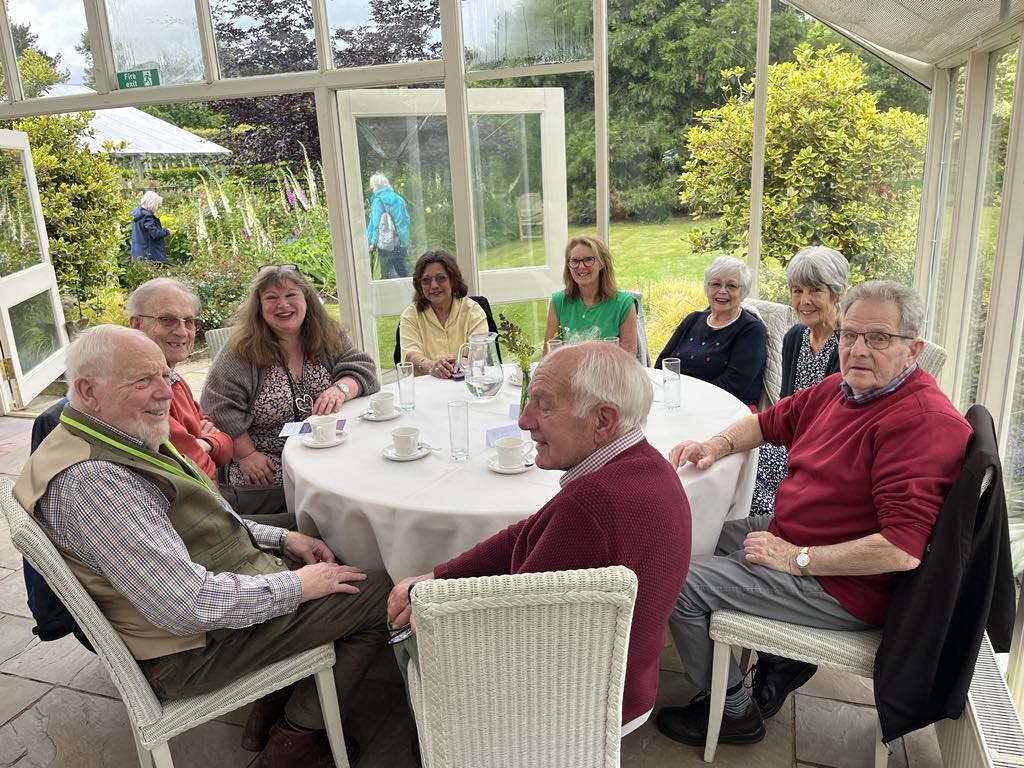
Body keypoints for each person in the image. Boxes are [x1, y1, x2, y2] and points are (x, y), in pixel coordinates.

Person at [13, 325, 391, 766]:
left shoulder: (111, 436)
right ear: (87, 391)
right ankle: (296, 738)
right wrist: (302, 586)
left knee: (323, 535)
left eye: (166, 377)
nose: (165, 394)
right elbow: (186, 606)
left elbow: (206, 519)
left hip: (203, 611)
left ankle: (275, 699)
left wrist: (284, 538)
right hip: (190, 651)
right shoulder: (92, 482)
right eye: (143, 381)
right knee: (381, 592)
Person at [655, 281, 972, 749]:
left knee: (675, 580)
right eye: (849, 335)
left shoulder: (920, 423)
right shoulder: (842, 390)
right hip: (795, 533)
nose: (858, 349)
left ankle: (733, 710)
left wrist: (798, 558)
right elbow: (768, 421)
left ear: (913, 350)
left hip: (843, 584)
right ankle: (746, 654)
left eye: (879, 337)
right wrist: (713, 445)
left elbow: (902, 549)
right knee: (684, 534)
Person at [387, 342, 691, 732]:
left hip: (576, 705)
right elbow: (529, 531)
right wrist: (442, 576)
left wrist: (429, 604)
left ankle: (445, 744)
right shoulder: (645, 464)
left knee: (404, 623)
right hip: (630, 680)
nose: (524, 420)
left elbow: (508, 626)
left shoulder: (591, 504)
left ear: (603, 421)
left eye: (544, 406)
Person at [127, 277, 294, 528]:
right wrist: (208, 443)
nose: (182, 331)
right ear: (136, 324)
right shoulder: (143, 390)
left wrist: (207, 442)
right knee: (312, 523)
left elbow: (220, 442)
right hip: (196, 512)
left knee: (306, 501)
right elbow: (196, 462)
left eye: (189, 321)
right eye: (167, 319)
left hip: (214, 493)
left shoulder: (174, 378)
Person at [202, 265, 379, 486]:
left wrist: (340, 389)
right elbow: (217, 406)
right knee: (331, 486)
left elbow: (364, 368)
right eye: (271, 297)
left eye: (291, 295)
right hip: (268, 457)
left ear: (306, 300)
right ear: (259, 306)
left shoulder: (327, 334)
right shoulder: (240, 349)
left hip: (329, 445)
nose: (283, 305)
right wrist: (246, 455)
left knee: (372, 469)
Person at [749, 246, 849, 515]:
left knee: (746, 481)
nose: (804, 300)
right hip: (791, 441)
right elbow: (786, 402)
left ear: (837, 293)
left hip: (823, 452)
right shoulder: (794, 337)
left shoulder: (849, 345)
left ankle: (778, 526)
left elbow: (838, 422)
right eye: (797, 290)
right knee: (738, 466)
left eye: (815, 290)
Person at [655, 255, 767, 407]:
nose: (722, 291)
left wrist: (688, 399)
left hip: (728, 409)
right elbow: (663, 364)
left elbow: (735, 384)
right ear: (707, 289)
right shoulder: (692, 319)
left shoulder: (751, 330)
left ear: (743, 293)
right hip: (678, 402)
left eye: (731, 286)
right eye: (715, 284)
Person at [544, 235, 638, 356]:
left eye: (588, 260)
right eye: (575, 261)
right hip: (568, 374)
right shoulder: (558, 302)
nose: (581, 266)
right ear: (568, 265)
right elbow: (548, 357)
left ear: (602, 263)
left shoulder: (624, 304)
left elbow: (628, 363)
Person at [399, 250, 487, 378]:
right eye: (426, 280)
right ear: (420, 285)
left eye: (441, 278)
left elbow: (480, 350)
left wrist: (462, 362)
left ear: (453, 280)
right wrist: (432, 366)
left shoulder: (472, 310)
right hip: (427, 389)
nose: (434, 285)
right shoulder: (410, 315)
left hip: (467, 384)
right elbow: (411, 354)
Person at [366, 173, 411, 279]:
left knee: (385, 274)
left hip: (385, 243)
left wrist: (373, 243)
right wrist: (405, 240)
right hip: (401, 242)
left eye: (373, 186)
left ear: (376, 186)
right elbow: (407, 220)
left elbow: (376, 225)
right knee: (402, 271)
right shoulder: (399, 199)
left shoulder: (377, 201)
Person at [130, 190, 171, 263]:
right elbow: (155, 234)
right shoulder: (147, 217)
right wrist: (166, 231)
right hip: (148, 254)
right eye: (157, 205)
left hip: (137, 252)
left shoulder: (137, 214)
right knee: (152, 274)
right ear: (151, 203)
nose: (157, 208)